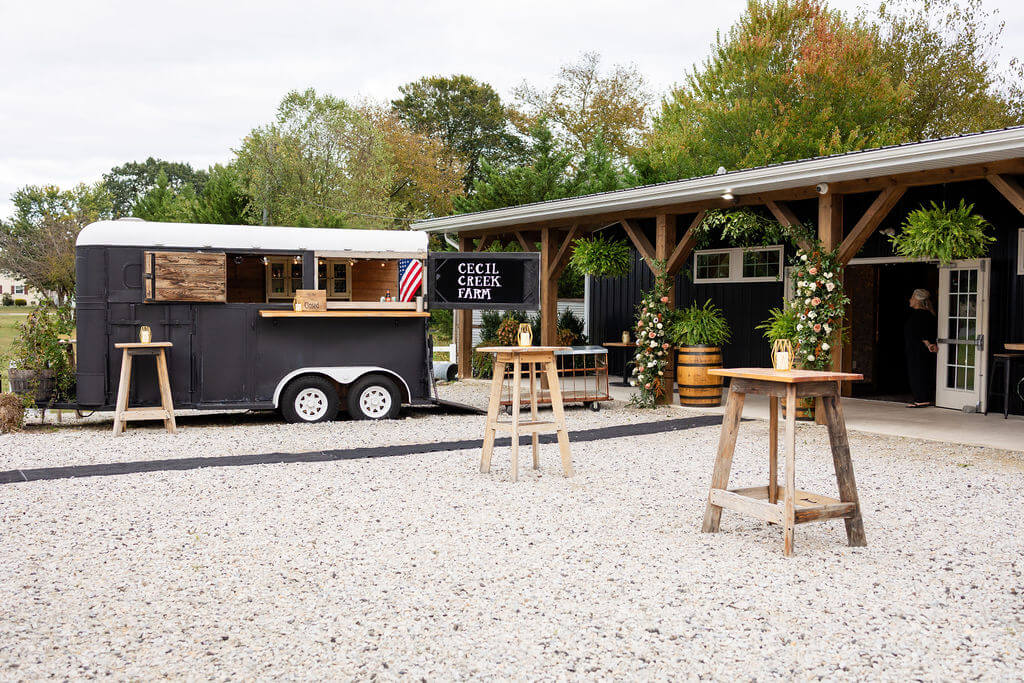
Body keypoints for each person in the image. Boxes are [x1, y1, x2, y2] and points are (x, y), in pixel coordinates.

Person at [904, 288, 937, 408]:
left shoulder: (920, 315)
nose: (910, 300)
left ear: (918, 300)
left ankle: (921, 399)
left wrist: (928, 344)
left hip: (918, 350)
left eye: (912, 298)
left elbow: (922, 333)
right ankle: (922, 398)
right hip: (917, 350)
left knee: (918, 373)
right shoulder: (927, 314)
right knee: (921, 372)